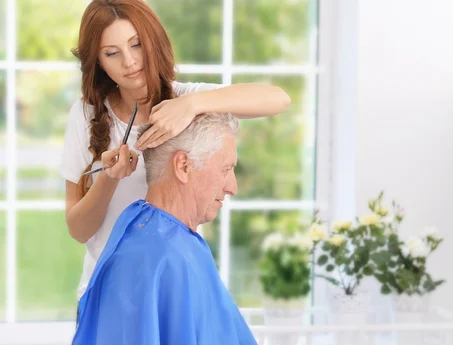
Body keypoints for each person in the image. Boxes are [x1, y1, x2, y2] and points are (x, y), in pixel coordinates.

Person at [58, 113, 303, 345]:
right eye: (226, 169)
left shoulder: (152, 234)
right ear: (183, 165)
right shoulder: (161, 258)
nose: (232, 187)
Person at [61, 0, 291, 300]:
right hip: (108, 296)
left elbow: (278, 99)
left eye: (136, 44)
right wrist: (109, 178)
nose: (129, 62)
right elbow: (78, 230)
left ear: (153, 40)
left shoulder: (188, 100)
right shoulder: (85, 115)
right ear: (99, 62)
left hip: (177, 293)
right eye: (112, 53)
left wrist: (192, 105)